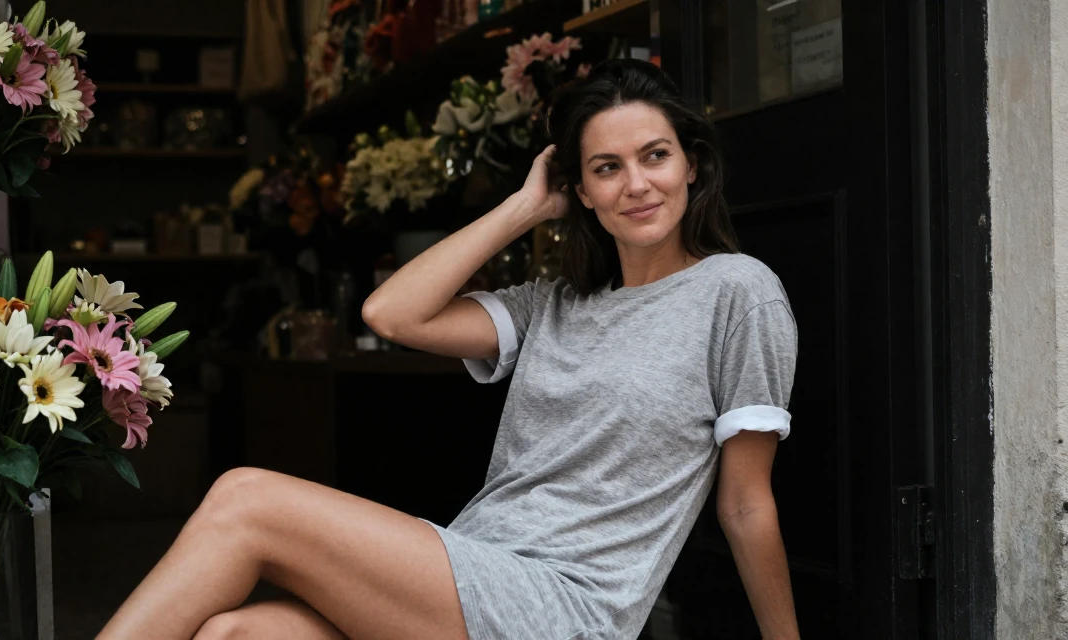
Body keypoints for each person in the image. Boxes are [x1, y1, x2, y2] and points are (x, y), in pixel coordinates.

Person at [99, 58, 800, 640]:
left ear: (693, 167)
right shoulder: (552, 303)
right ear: (579, 189)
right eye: (607, 167)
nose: (637, 184)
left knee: (246, 498)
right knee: (236, 636)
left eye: (656, 157)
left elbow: (744, 504)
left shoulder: (738, 292)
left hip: (567, 608)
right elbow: (392, 313)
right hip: (475, 569)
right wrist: (525, 206)